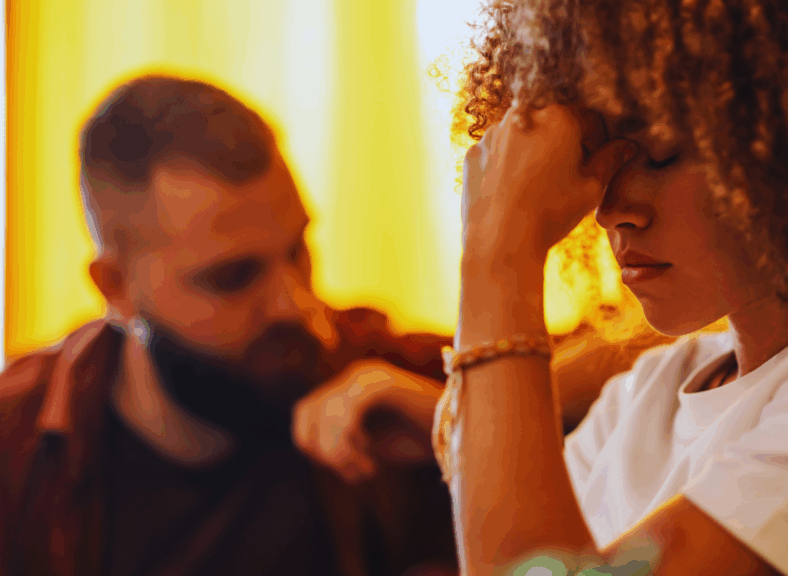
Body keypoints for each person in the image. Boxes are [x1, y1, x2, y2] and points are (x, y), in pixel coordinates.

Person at [418, 0, 788, 574]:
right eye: (593, 155)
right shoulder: (645, 397)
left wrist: (499, 251)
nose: (610, 210)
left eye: (657, 152)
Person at [0, 76, 651, 576]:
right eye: (233, 277)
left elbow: (666, 350)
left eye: (298, 252)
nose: (293, 304)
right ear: (116, 289)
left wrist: (458, 413)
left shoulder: (359, 366)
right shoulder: (16, 446)